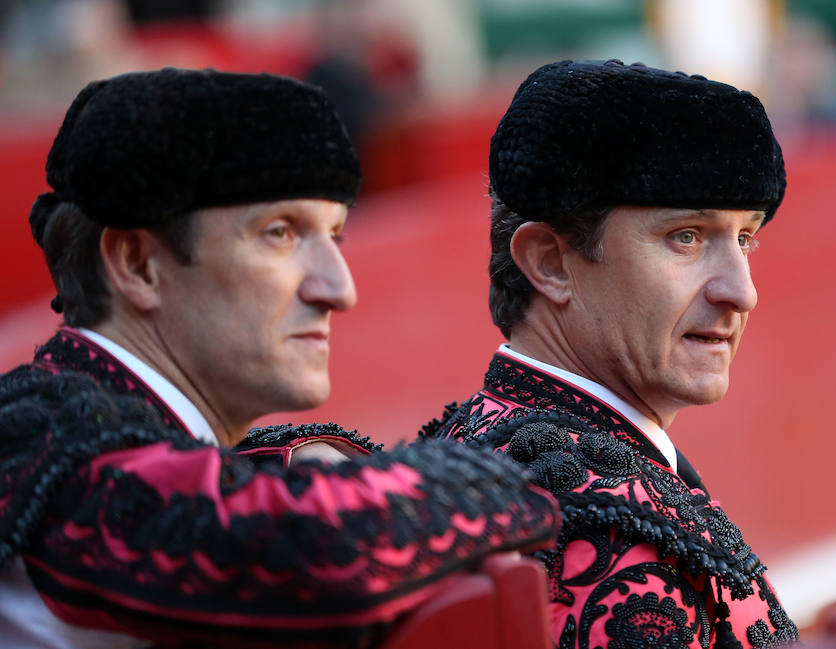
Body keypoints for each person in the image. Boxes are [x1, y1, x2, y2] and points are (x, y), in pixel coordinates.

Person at [0, 68, 559, 648]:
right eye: (281, 233)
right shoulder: (42, 439)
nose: (339, 289)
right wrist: (502, 479)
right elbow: (318, 547)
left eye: (335, 236)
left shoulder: (79, 419)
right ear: (139, 264)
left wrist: (283, 456)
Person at [421, 59, 800, 648]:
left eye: (746, 238)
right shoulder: (612, 539)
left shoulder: (473, 441)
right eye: (687, 237)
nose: (742, 289)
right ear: (551, 262)